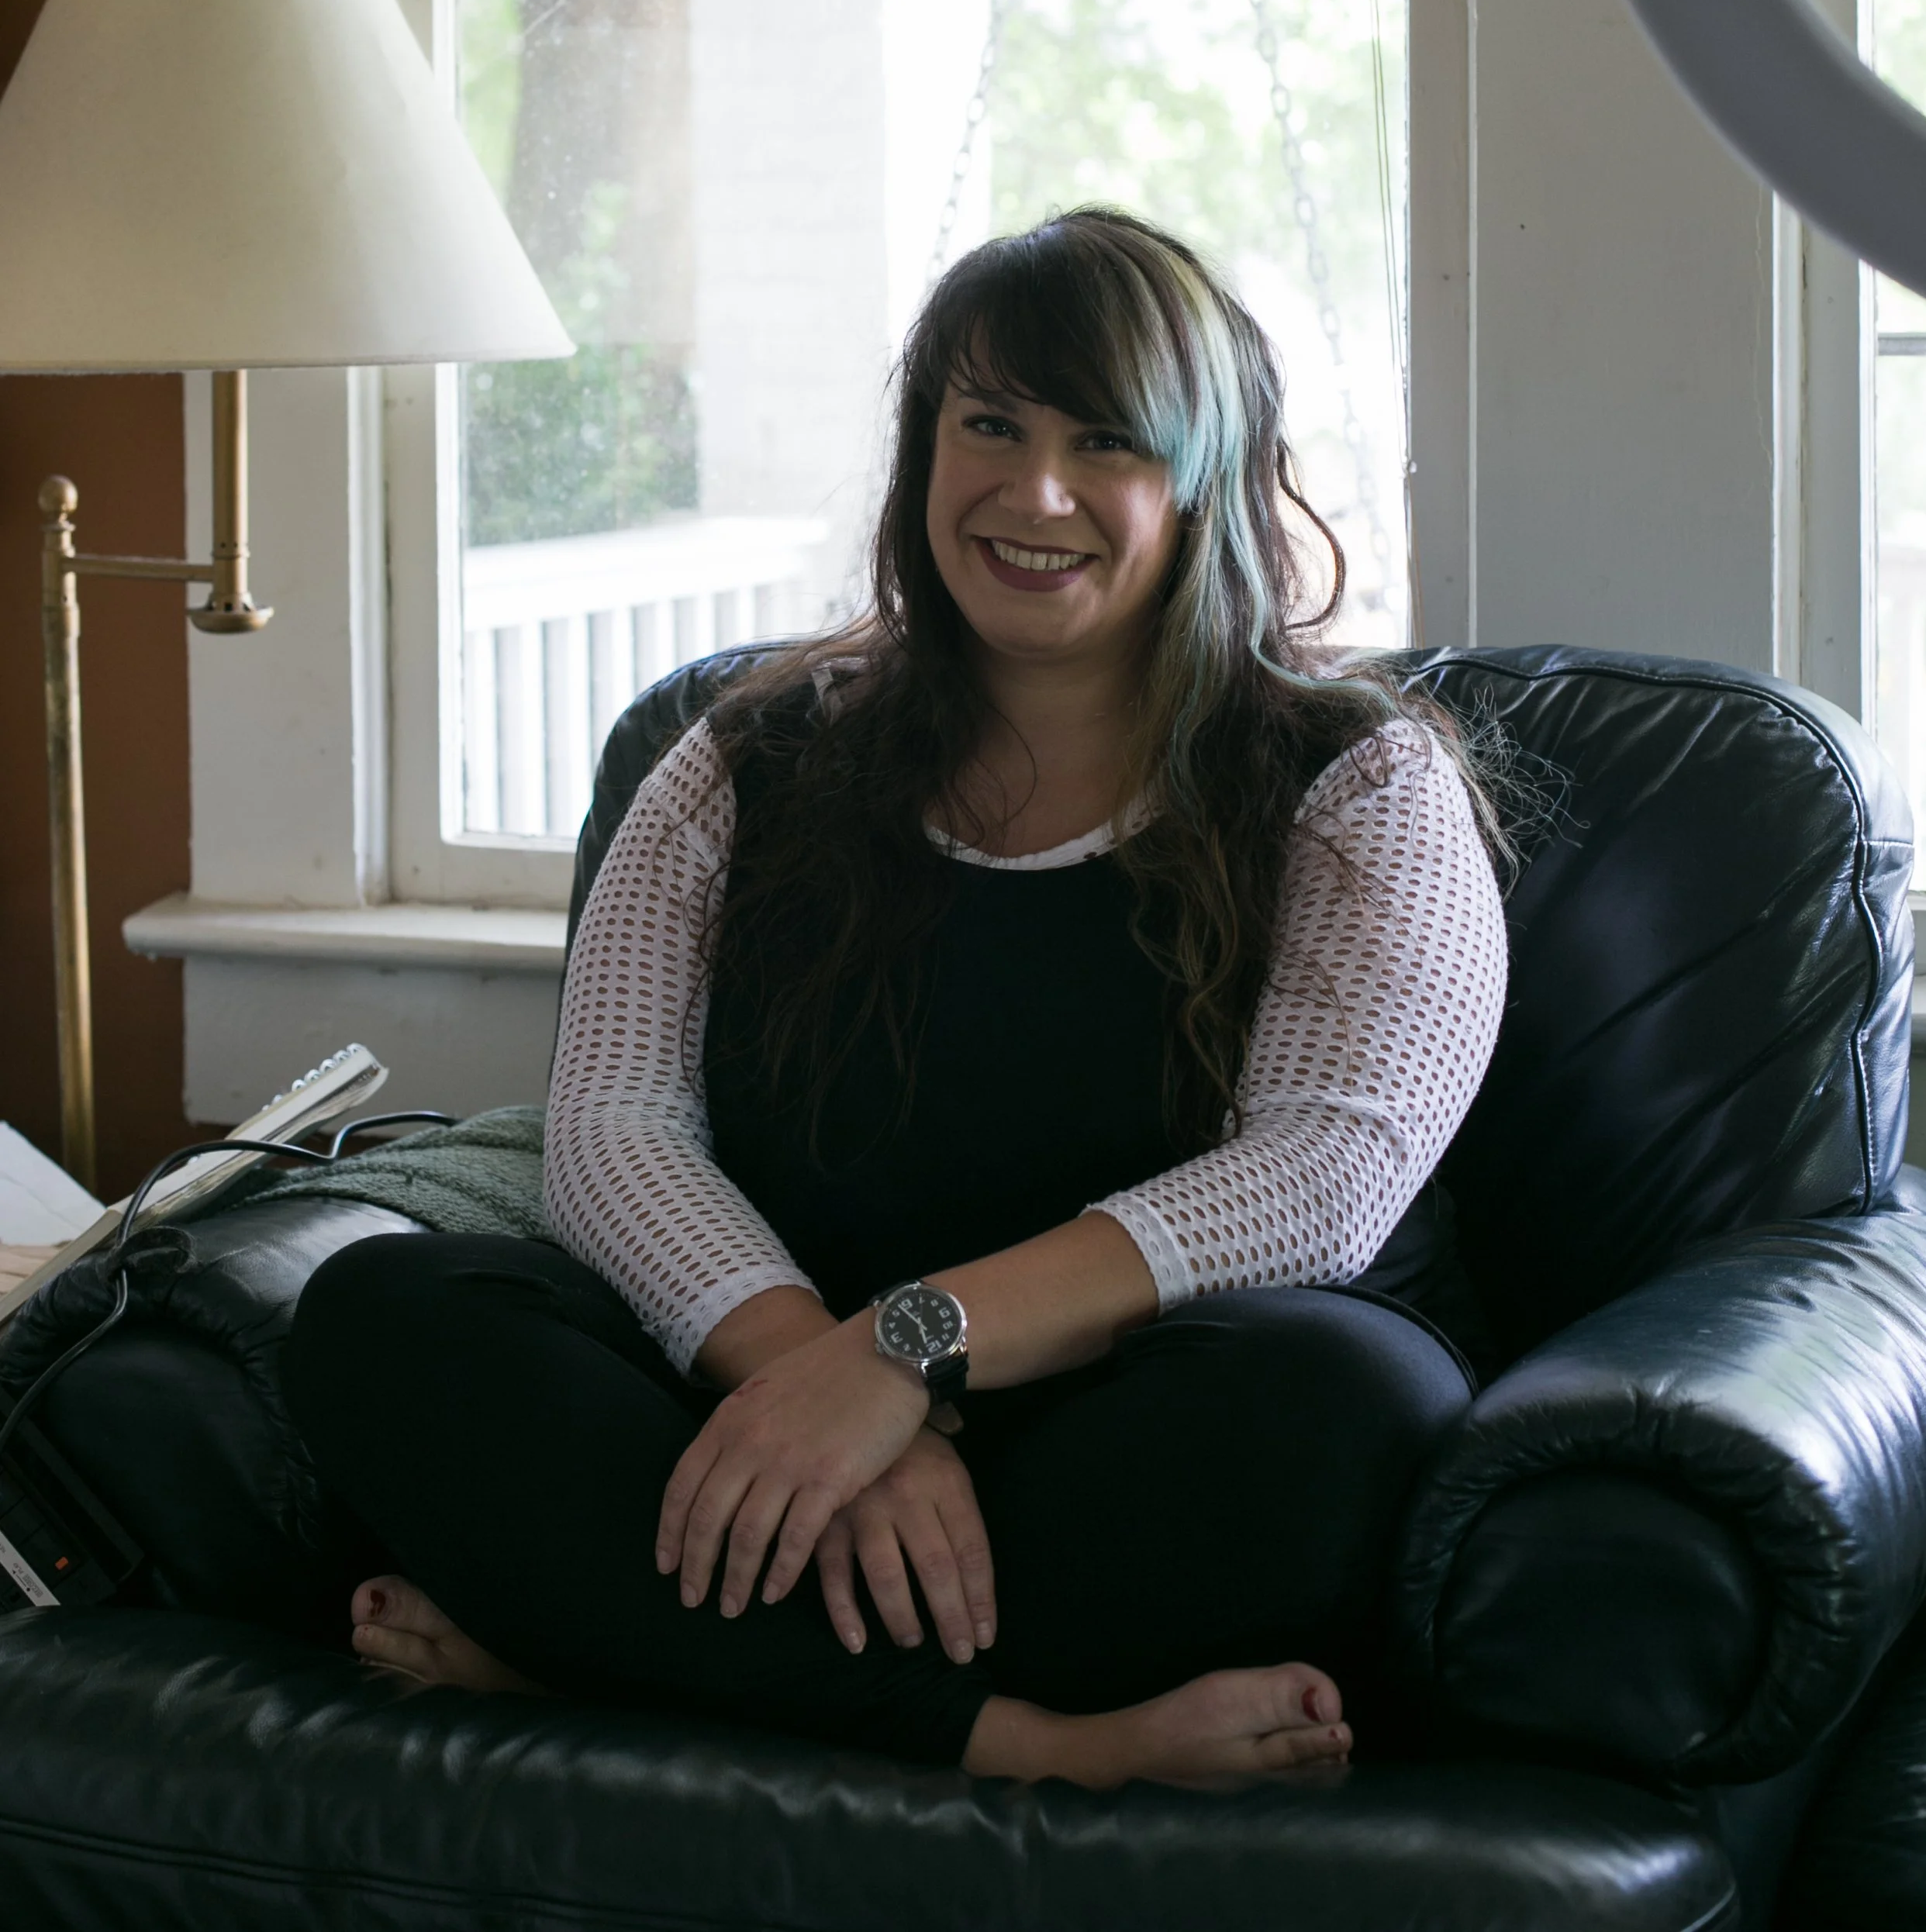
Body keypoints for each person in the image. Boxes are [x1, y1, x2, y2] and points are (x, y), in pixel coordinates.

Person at [283, 208, 1510, 1790]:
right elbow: (613, 1129)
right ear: (924, 445)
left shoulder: (1362, 786)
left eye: (1107, 442)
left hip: (1121, 1430)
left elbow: (1320, 1182)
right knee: (382, 1314)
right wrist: (816, 1386)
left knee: (1347, 1399)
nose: (1035, 492)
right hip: (773, 1397)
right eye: (989, 424)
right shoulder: (739, 759)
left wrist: (904, 1355)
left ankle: (604, 1661)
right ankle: (1041, 1745)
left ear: (1205, 480)